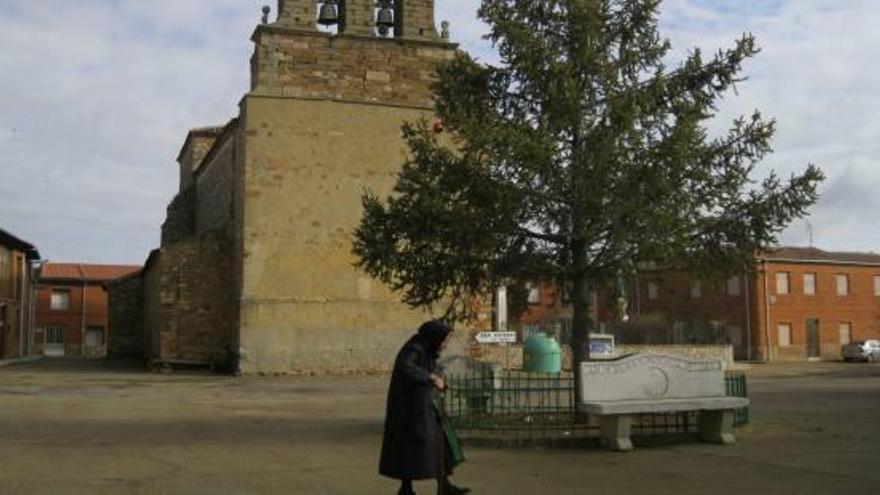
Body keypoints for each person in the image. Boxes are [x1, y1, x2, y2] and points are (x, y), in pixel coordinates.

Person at [379, 320, 470, 495]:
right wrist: (431, 378)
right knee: (412, 448)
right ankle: (407, 489)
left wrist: (438, 378)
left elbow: (432, 367)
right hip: (410, 409)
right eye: (444, 340)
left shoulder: (427, 347)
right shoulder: (414, 348)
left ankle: (443, 486)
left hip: (423, 405)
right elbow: (405, 367)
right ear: (435, 336)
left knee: (438, 444)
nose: (445, 345)